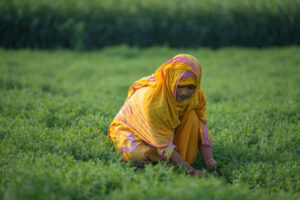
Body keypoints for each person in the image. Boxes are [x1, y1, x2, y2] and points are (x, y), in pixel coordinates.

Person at [108, 54, 219, 176]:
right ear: (171, 81)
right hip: (134, 130)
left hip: (166, 130)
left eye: (190, 87)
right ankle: (173, 161)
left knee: (193, 116)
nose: (185, 93)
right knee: (138, 155)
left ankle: (175, 159)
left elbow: (200, 127)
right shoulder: (155, 102)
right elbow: (162, 144)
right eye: (179, 86)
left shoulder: (196, 96)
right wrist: (192, 171)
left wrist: (210, 160)